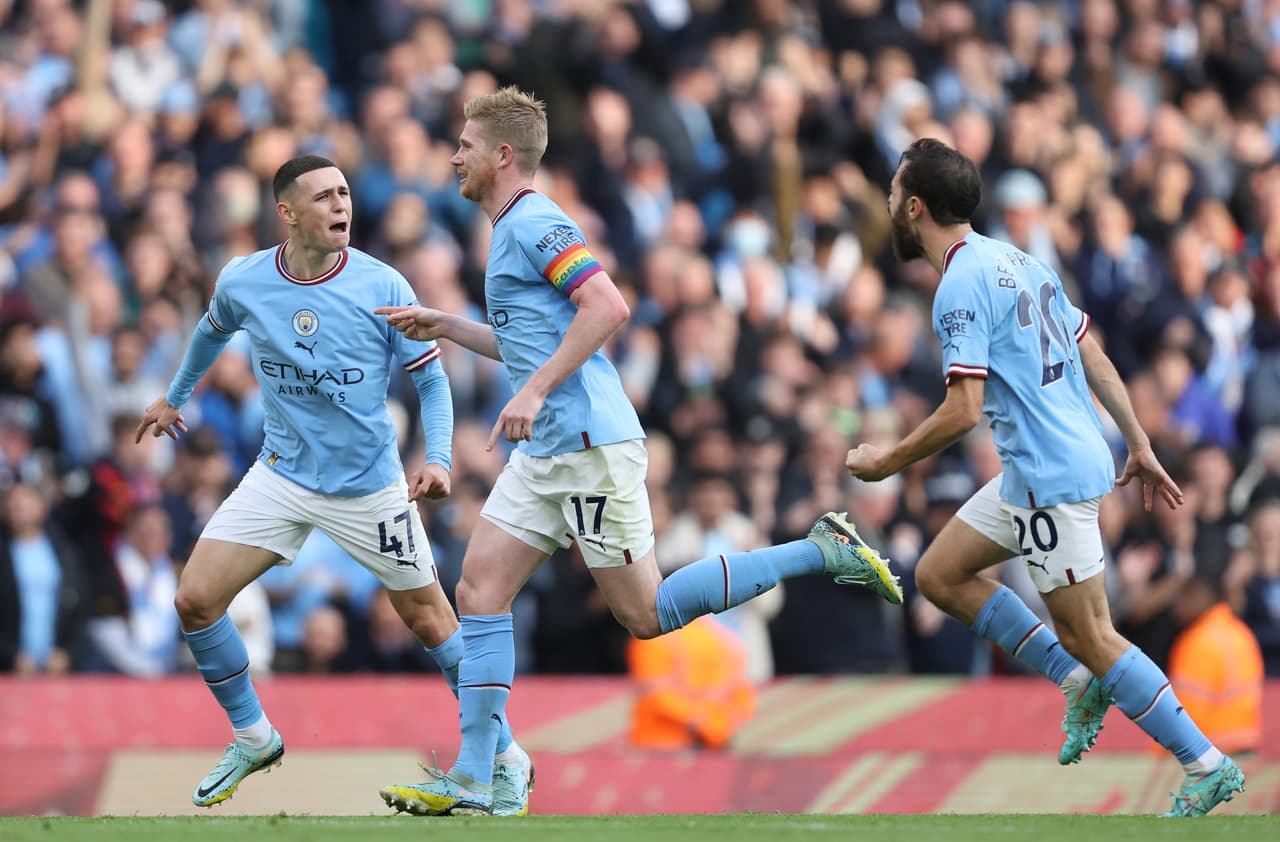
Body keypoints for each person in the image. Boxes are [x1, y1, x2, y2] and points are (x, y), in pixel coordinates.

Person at [375, 87, 903, 817]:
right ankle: (480, 773)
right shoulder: (506, 231)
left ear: (502, 155)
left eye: (464, 143)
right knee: (478, 592)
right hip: (548, 452)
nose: (454, 155)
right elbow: (533, 341)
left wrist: (531, 395)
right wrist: (446, 325)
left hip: (589, 444)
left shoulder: (537, 220)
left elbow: (608, 307)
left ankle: (820, 550)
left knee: (648, 615)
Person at [844, 138, 1245, 818]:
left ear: (914, 207)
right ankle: (1075, 680)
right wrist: (1137, 438)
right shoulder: (1021, 260)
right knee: (940, 576)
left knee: (1093, 632)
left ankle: (1206, 763)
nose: (887, 204)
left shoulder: (959, 285)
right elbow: (1094, 355)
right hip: (1052, 464)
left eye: (891, 193)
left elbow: (963, 410)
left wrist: (885, 462)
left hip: (1047, 477)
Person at [134, 155, 530, 814]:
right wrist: (173, 398)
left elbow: (430, 379)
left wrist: (436, 459)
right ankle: (254, 735)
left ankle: (507, 759)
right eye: (323, 196)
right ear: (286, 213)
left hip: (371, 490)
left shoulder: (383, 283)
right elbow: (211, 331)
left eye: (345, 192)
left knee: (431, 620)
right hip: (281, 475)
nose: (340, 205)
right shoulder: (245, 279)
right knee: (195, 601)